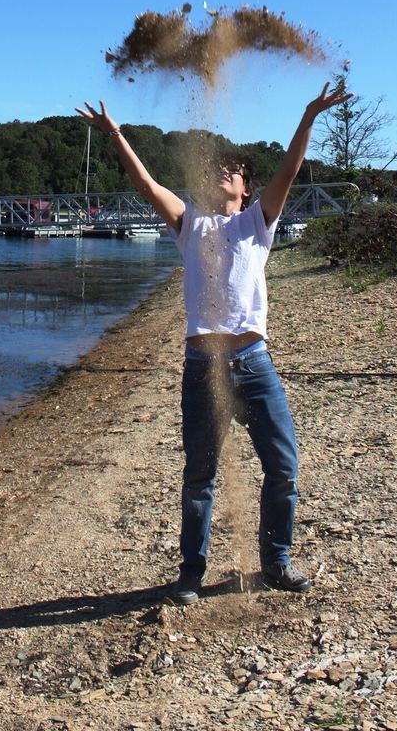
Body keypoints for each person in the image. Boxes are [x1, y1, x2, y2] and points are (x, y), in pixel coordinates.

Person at [76, 83, 350, 604]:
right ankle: (191, 574)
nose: (221, 174)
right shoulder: (190, 222)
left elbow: (290, 169)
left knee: (283, 466)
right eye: (215, 169)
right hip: (203, 366)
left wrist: (309, 114)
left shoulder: (257, 222)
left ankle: (276, 562)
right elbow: (145, 182)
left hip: (253, 362)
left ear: (246, 187)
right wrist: (114, 132)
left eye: (233, 171)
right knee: (200, 472)